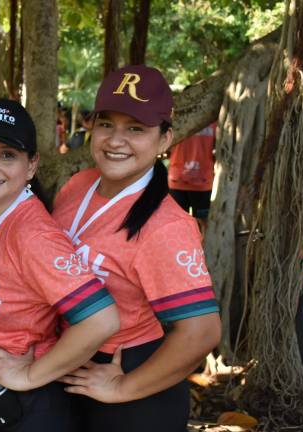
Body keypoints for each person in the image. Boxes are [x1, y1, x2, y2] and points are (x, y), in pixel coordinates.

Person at [51, 65, 221, 431]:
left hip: (127, 377)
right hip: (71, 365)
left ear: (164, 140)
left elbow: (201, 332)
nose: (115, 140)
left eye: (136, 129)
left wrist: (123, 388)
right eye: (106, 124)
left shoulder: (167, 226)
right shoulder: (77, 186)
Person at [0, 98, 120, 431]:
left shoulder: (33, 236)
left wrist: (28, 375)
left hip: (25, 406)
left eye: (7, 155)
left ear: (32, 165)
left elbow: (101, 320)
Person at [168, 122, 216, 232]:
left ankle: (200, 248)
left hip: (202, 182)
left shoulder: (213, 120)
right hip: (179, 181)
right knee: (176, 224)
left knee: (203, 224)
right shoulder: (176, 119)